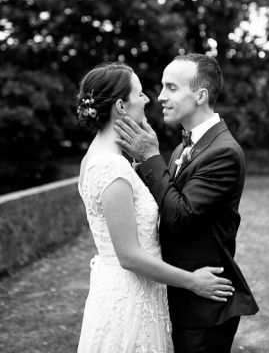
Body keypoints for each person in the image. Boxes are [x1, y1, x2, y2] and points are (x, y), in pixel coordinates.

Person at [75, 62, 234, 353]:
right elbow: (130, 256)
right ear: (121, 106)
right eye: (140, 93)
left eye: (170, 87)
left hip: (139, 290)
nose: (151, 98)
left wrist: (144, 161)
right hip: (129, 295)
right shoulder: (111, 167)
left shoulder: (110, 160)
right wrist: (192, 281)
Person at [115, 53, 259, 353]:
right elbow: (166, 201)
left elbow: (178, 215)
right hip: (183, 294)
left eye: (171, 88)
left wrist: (151, 157)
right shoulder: (185, 145)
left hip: (204, 305)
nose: (160, 97)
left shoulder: (223, 152)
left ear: (200, 95)